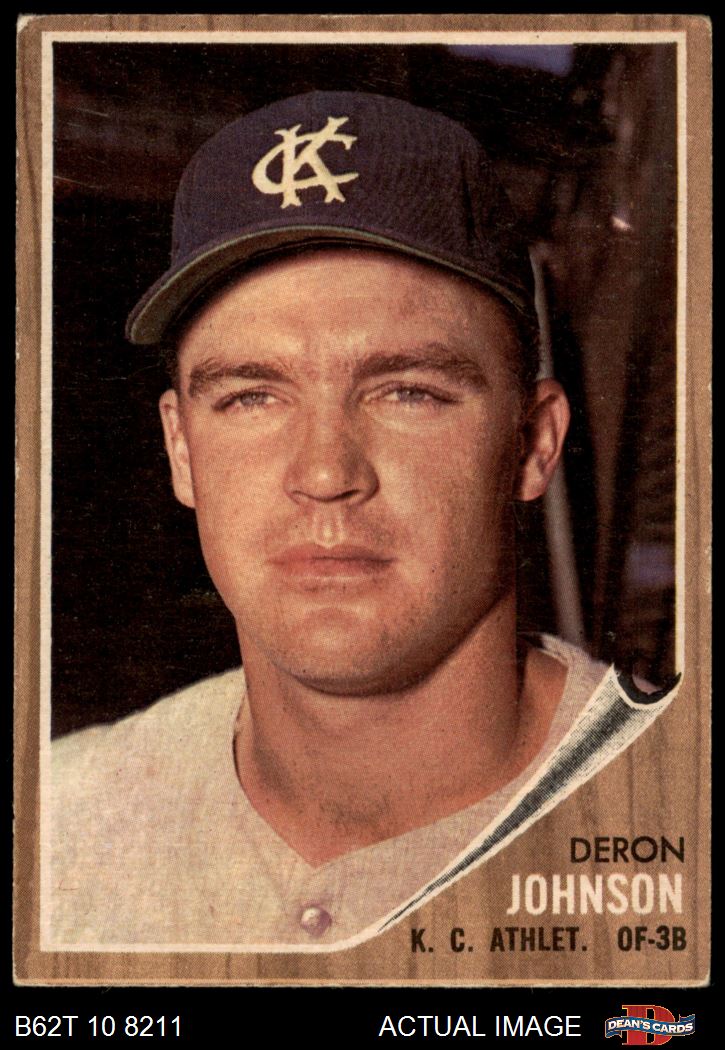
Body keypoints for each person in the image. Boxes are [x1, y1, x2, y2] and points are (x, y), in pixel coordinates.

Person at [48, 90, 675, 949]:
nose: (324, 474)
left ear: (532, 444)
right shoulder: (56, 826)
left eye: (408, 392)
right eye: (251, 396)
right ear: (182, 450)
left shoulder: (675, 820)